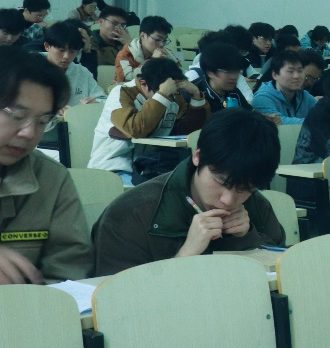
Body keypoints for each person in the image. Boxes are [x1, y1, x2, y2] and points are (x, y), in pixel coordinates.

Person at [93, 108, 284, 276]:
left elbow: (281, 271)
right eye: (220, 182)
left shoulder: (256, 204)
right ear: (198, 156)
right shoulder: (130, 215)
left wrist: (247, 238)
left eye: (244, 189)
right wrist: (186, 255)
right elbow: (116, 297)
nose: (228, 200)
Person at [0, 48, 92, 283]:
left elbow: (69, 269)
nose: (29, 133)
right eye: (17, 115)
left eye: (42, 121)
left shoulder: (51, 179)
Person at [89, 58, 208, 184]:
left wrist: (196, 95)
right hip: (114, 166)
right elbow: (136, 129)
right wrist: (162, 95)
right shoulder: (121, 92)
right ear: (144, 84)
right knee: (148, 192)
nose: (170, 98)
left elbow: (188, 131)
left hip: (150, 166)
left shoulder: (173, 96)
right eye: (165, 92)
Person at [42, 20, 106, 108]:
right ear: (47, 46)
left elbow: (103, 98)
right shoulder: (31, 68)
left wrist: (96, 102)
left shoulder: (82, 72)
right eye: (61, 50)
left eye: (72, 51)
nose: (66, 56)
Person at [250, 50, 318, 125]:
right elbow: (279, 122)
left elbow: (323, 115)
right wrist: (317, 122)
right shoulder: (261, 99)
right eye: (290, 71)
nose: (296, 76)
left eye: (300, 71)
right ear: (275, 75)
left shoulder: (304, 96)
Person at [190, 42, 255, 115]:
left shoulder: (234, 92)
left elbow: (251, 114)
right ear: (210, 72)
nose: (234, 77)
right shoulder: (195, 94)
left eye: (236, 71)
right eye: (227, 71)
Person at [115, 14, 173, 83]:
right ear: (143, 36)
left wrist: (169, 64)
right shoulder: (125, 54)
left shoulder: (167, 53)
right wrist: (152, 62)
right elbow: (125, 80)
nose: (161, 44)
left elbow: (180, 75)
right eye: (157, 40)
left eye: (165, 40)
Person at [82, 5, 130, 74]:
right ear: (100, 22)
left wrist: (130, 45)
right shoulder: (89, 44)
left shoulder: (125, 44)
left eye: (122, 25)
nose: (118, 28)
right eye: (114, 23)